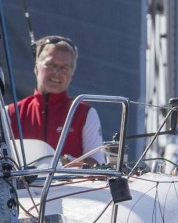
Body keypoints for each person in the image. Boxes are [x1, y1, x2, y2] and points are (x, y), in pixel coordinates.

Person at [6, 35, 105, 167]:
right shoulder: (10, 113)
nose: (57, 73)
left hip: (72, 187)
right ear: (36, 68)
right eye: (50, 65)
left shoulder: (85, 114)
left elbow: (98, 164)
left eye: (65, 68)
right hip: (22, 187)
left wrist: (66, 162)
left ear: (71, 75)